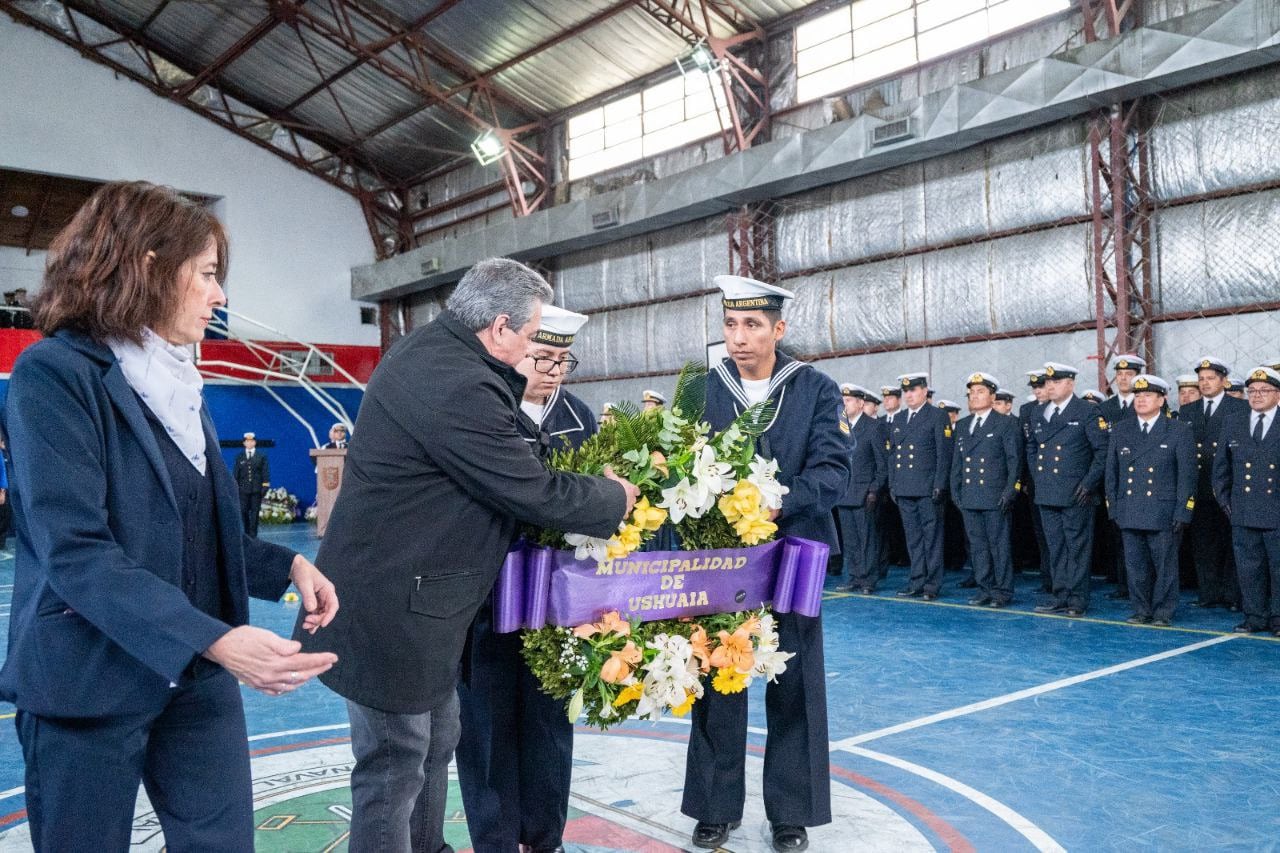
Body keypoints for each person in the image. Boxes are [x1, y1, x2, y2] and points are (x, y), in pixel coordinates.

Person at [0, 180, 339, 851]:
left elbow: (198, 527)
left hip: (194, 681)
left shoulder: (178, 381)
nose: (220, 296)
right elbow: (78, 552)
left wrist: (292, 561)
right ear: (149, 266)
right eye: (209, 275)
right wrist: (214, 638)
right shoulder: (54, 374)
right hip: (87, 683)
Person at [294, 258, 637, 853]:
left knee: (435, 738)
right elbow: (530, 488)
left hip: (415, 606)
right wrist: (617, 496)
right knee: (395, 761)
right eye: (531, 336)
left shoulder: (435, 351)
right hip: (388, 609)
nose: (535, 351)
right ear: (500, 327)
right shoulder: (455, 381)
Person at [683, 275, 847, 853]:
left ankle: (792, 812)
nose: (739, 338)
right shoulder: (702, 389)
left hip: (794, 555)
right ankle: (713, 806)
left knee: (794, 680)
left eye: (752, 325)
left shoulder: (815, 389)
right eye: (731, 324)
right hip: (720, 560)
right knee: (716, 673)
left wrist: (781, 500)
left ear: (779, 329)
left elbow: (834, 472)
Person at [456, 304, 596, 853]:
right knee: (485, 725)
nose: (552, 371)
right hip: (486, 597)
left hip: (557, 604)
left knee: (548, 726)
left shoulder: (581, 418)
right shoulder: (486, 410)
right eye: (543, 356)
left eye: (564, 361)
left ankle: (544, 837)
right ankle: (494, 839)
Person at [1104, 376, 1195, 626]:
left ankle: (1163, 612)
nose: (1141, 399)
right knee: (1135, 566)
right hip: (1130, 509)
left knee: (1165, 566)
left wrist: (1183, 512)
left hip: (1163, 510)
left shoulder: (1178, 429)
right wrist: (1114, 507)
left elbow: (1187, 476)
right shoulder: (1122, 429)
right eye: (1138, 395)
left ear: (1162, 399)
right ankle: (1141, 609)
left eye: (1148, 395)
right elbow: (1112, 472)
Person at [1029, 362, 1109, 617]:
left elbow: (1103, 450)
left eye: (1056, 382)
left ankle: (1077, 599)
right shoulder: (1038, 412)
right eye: (1048, 382)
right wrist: (1038, 477)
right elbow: (1032, 447)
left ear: (1070, 384)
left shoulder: (1086, 411)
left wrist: (1088, 483)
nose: (1050, 386)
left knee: (1077, 548)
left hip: (1076, 493)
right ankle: (1060, 594)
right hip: (1047, 491)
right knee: (1055, 547)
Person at [1213, 366, 1280, 636]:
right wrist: (1225, 501)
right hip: (1242, 509)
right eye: (1252, 391)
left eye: (1264, 390)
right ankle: (1254, 616)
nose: (1257, 395)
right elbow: (1221, 468)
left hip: (1276, 510)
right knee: (1249, 568)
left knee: (1278, 569)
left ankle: (1278, 619)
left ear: (1278, 394)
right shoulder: (1234, 421)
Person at [950, 373, 1022, 608]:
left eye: (980, 391)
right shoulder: (962, 426)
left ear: (993, 396)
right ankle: (985, 588)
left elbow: (1014, 461)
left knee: (998, 546)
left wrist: (1010, 491)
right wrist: (956, 490)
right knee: (978, 547)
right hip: (970, 496)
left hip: (994, 495)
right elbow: (957, 463)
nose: (975, 396)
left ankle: (1002, 591)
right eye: (972, 392)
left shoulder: (1005, 423)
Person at [1185, 356, 1249, 610]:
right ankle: (1208, 593)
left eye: (1211, 378)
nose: (1205, 383)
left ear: (1224, 381)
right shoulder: (1189, 410)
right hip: (1199, 487)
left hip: (1228, 487)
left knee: (1231, 544)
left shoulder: (1239, 409)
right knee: (1203, 544)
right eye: (1201, 379)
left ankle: (1232, 595)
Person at [889, 372, 953, 600]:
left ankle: (931, 585)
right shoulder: (898, 419)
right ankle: (916, 581)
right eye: (906, 391)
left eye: (913, 390)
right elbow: (893, 455)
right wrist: (893, 484)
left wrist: (940, 484)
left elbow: (943, 455)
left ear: (925, 391)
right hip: (905, 487)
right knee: (913, 538)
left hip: (927, 488)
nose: (909, 395)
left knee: (932, 538)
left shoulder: (937, 416)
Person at [835, 384, 887, 594]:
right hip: (844, 493)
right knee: (850, 540)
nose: (844, 405)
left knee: (867, 539)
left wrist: (874, 489)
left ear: (860, 403)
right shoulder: (840, 427)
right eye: (842, 401)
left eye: (848, 401)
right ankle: (854, 577)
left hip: (864, 493)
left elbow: (882, 463)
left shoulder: (873, 427)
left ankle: (868, 580)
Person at [233, 431, 270, 536]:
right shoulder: (239, 457)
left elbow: (265, 472)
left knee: (255, 513)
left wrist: (265, 485)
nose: (249, 443)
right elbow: (236, 473)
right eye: (247, 441)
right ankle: (246, 532)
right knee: (243, 511)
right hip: (243, 489)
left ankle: (253, 535)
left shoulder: (261, 456)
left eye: (251, 441)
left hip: (256, 490)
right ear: (244, 443)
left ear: (255, 443)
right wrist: (235, 486)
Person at [1098, 354, 1144, 425]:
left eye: (1129, 374)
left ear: (1138, 377)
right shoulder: (1102, 409)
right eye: (1119, 374)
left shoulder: (1148, 406)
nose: (1123, 378)